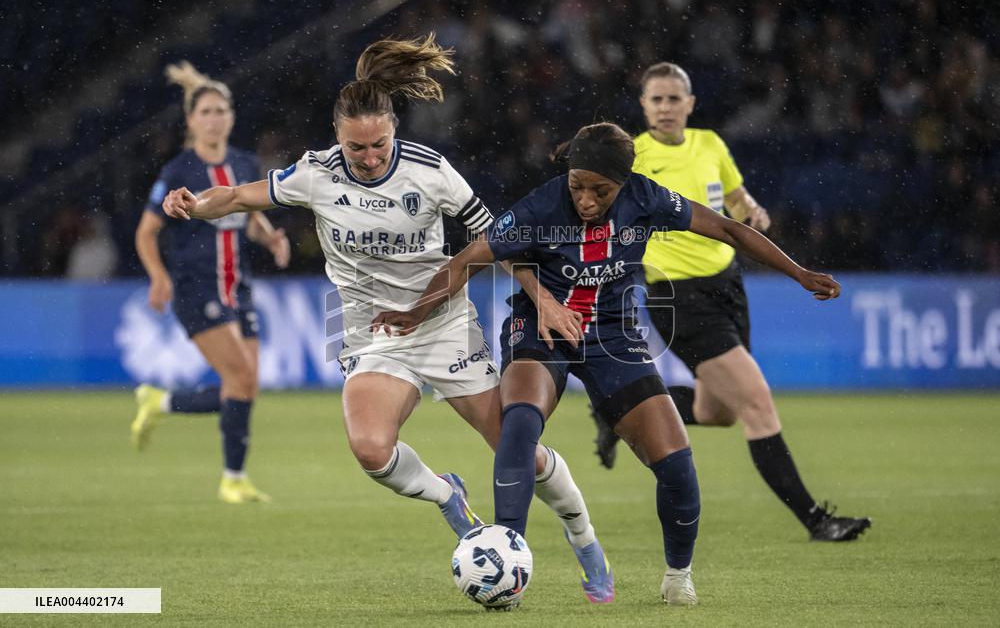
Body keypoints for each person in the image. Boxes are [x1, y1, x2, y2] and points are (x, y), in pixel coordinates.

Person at [161, 35, 614, 604]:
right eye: (357, 149)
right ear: (338, 140)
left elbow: (494, 235)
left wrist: (543, 297)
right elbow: (243, 197)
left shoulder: (431, 171)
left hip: (443, 321)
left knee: (513, 446)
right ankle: (449, 498)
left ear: (394, 130)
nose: (370, 158)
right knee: (371, 450)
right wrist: (198, 204)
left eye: (378, 145)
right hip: (369, 331)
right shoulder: (316, 173)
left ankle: (584, 537)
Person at [371, 121, 843, 605]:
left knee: (678, 465)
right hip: (542, 328)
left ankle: (677, 577)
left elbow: (726, 228)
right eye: (578, 186)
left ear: (625, 181)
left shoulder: (649, 198)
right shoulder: (540, 206)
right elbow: (471, 256)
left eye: (602, 190)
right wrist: (415, 312)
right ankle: (506, 552)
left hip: (613, 335)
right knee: (519, 424)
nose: (587, 200)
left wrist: (799, 272)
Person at [588, 62, 871, 542]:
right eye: (655, 99)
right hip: (678, 298)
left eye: (673, 99)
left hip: (728, 286)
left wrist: (752, 210)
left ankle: (616, 411)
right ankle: (816, 520)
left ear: (690, 103)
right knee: (758, 402)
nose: (665, 108)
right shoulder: (632, 158)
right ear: (642, 105)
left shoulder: (710, 144)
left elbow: (734, 199)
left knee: (719, 411)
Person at [133, 61, 291, 503]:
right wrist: (159, 276)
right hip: (195, 288)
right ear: (191, 121)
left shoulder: (244, 163)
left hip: (238, 288)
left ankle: (161, 404)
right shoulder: (179, 170)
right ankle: (231, 481)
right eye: (205, 112)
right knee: (239, 376)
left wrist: (272, 238)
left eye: (221, 110)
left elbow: (250, 218)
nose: (214, 118)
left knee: (244, 386)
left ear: (232, 116)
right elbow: (146, 232)